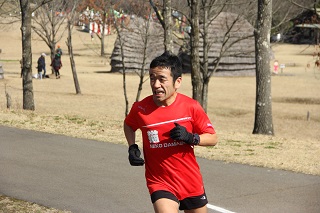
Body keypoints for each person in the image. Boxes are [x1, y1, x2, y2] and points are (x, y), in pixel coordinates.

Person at [123, 51, 218, 213]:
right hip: (159, 181)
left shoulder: (191, 107)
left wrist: (191, 137)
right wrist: (132, 146)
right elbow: (129, 125)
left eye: (162, 79)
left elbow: (213, 138)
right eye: (152, 78)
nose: (156, 84)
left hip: (190, 180)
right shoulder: (140, 109)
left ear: (177, 81)